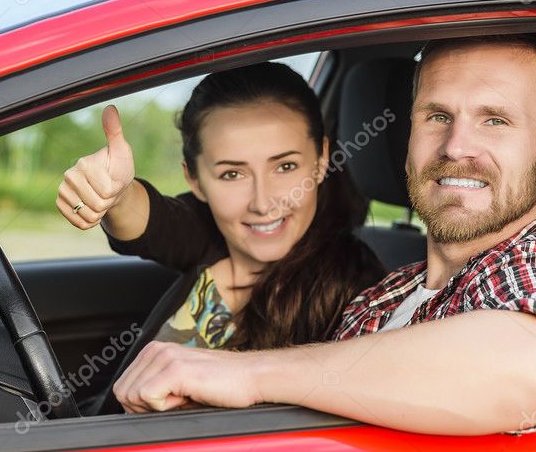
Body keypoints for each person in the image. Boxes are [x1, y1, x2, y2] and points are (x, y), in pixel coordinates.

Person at [108, 33, 536, 436]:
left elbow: (533, 367)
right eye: (436, 116)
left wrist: (247, 375)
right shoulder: (383, 296)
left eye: (494, 120)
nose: (455, 146)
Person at [57, 62, 386, 353]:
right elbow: (151, 219)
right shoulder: (210, 232)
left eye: (285, 167)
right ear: (195, 179)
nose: (262, 203)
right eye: (232, 174)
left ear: (321, 159)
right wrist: (115, 194)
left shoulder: (361, 288)